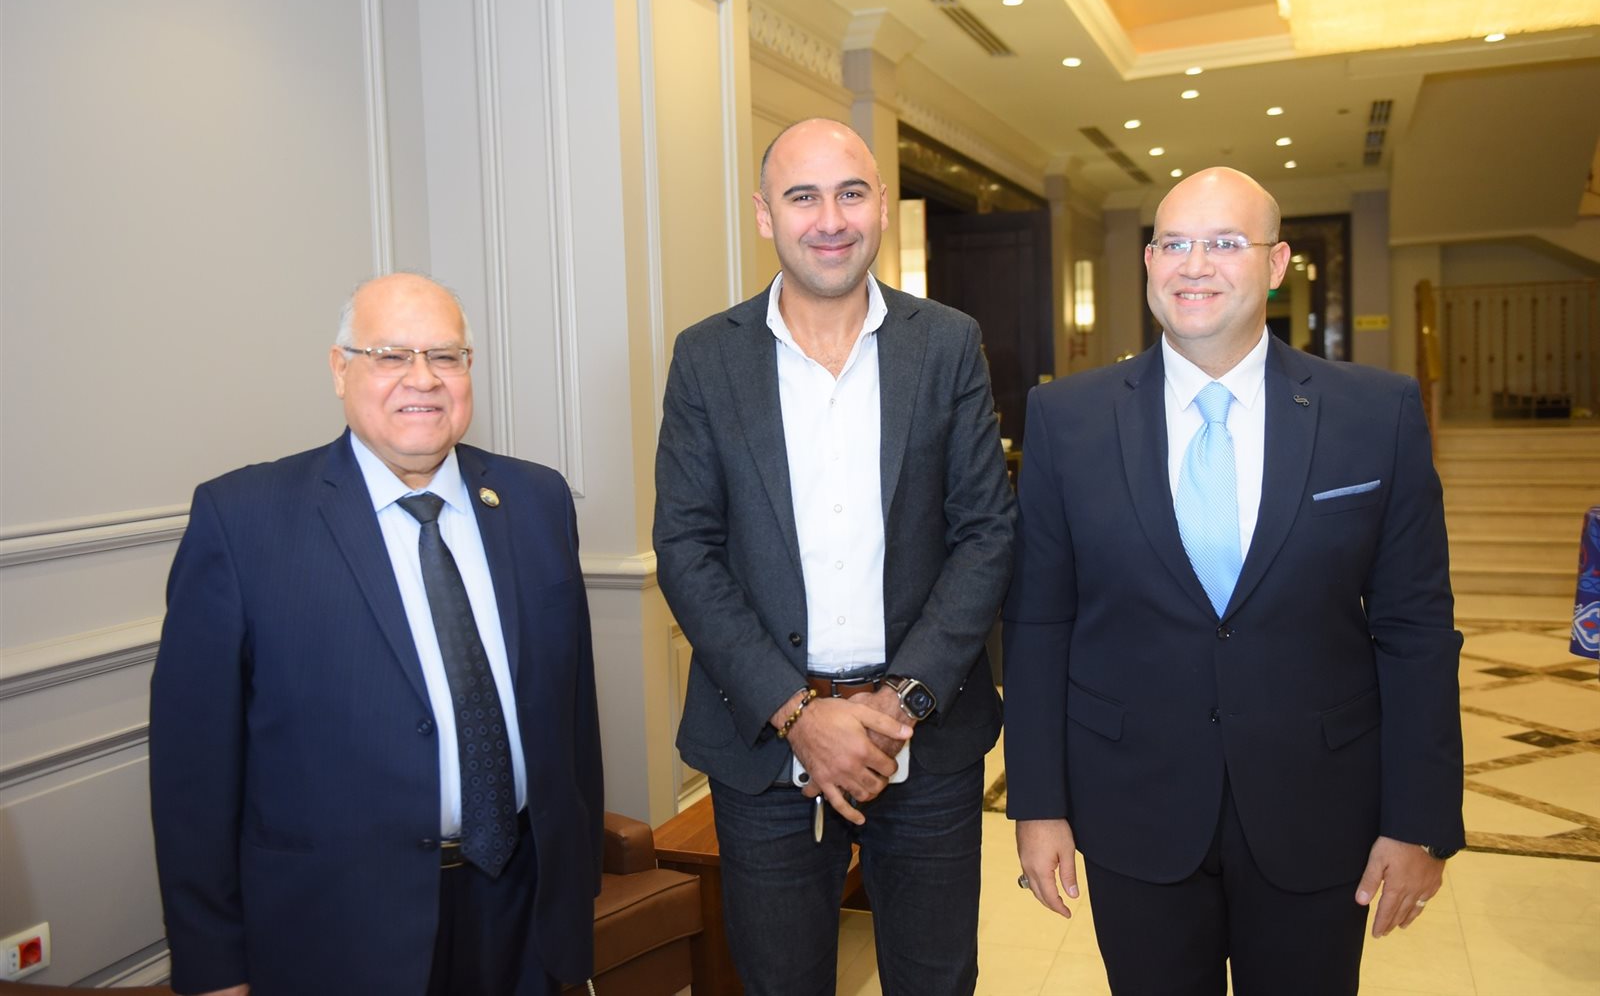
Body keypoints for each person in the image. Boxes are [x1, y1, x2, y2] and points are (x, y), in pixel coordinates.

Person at [1004, 167, 1464, 995]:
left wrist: (1421, 821)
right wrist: (1037, 804)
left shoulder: (1376, 413)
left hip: (1317, 809)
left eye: (1224, 243)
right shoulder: (1067, 419)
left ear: (1277, 263)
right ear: (1149, 262)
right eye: (1174, 243)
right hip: (1132, 808)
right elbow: (1039, 624)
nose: (1195, 265)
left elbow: (1416, 630)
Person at [149, 273, 603, 996]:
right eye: (391, 355)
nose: (422, 379)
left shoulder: (536, 499)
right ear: (340, 369)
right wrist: (212, 966)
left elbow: (573, 717)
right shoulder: (243, 521)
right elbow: (193, 772)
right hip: (340, 929)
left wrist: (576, 896)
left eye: (446, 356)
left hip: (524, 911)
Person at [653, 118, 1015, 995]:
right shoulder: (707, 357)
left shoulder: (947, 343)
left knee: (937, 982)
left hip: (924, 740)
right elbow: (687, 547)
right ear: (764, 214)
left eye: (850, 193)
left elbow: (986, 531)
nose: (830, 219)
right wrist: (797, 713)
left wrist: (899, 702)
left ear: (881, 205)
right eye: (802, 196)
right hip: (765, 747)